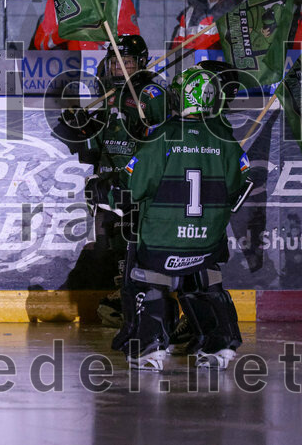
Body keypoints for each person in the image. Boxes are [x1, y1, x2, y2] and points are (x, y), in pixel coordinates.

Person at [108, 66, 252, 370]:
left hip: (162, 243)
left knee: (147, 279)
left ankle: (149, 347)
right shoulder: (225, 139)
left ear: (177, 97)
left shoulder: (163, 136)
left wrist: (104, 192)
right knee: (205, 278)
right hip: (207, 244)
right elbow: (241, 188)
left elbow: (133, 187)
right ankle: (220, 344)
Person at [53, 35, 167, 334]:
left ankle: (146, 305)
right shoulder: (109, 94)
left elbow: (162, 141)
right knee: (112, 246)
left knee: (138, 245)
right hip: (107, 181)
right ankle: (127, 300)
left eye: (126, 62)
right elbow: (97, 142)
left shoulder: (151, 93)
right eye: (115, 61)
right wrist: (80, 124)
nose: (119, 68)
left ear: (141, 62)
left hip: (136, 182)